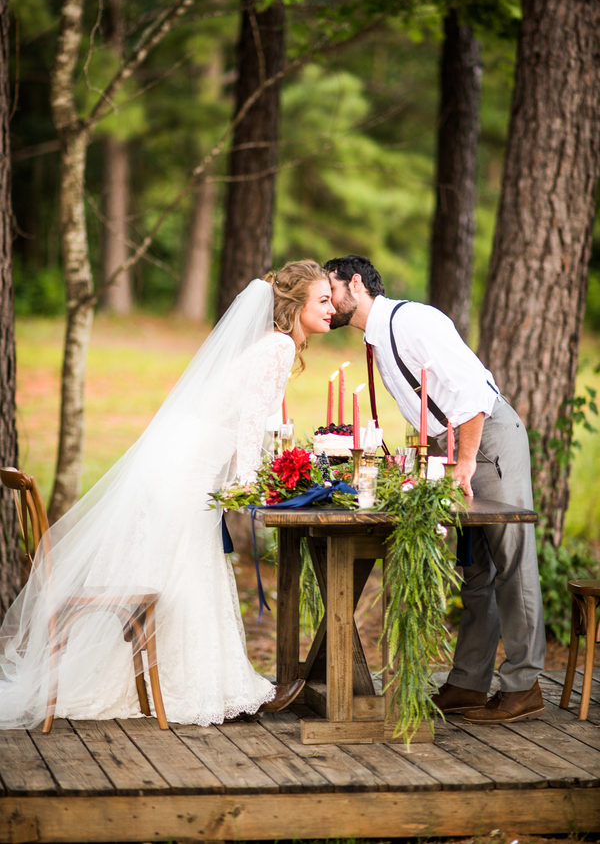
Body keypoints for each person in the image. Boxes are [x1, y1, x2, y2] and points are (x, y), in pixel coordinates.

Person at [0, 259, 335, 729]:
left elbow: (250, 430)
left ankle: (184, 683)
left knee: (175, 568)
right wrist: (269, 485)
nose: (332, 307)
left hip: (181, 462)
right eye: (322, 300)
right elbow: (248, 434)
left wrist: (262, 476)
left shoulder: (270, 344)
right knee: (185, 571)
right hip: (189, 471)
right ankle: (196, 687)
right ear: (295, 305)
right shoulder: (278, 346)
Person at [324, 254, 546, 723]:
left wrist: (464, 461)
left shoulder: (412, 321)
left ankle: (524, 686)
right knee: (477, 568)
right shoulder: (377, 338)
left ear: (357, 284)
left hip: (484, 440)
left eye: (332, 288)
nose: (328, 300)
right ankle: (468, 683)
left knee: (512, 559)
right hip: (452, 449)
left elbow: (471, 392)